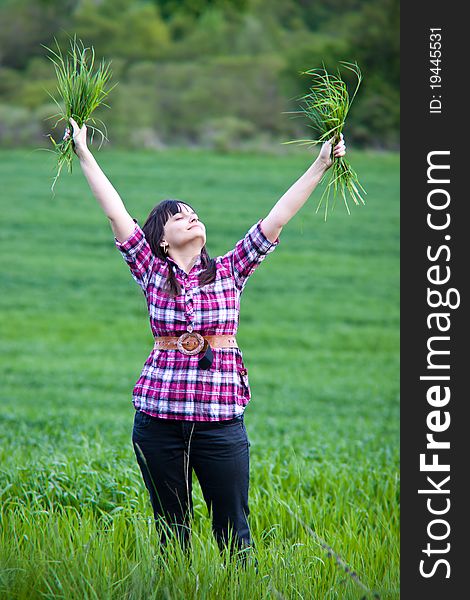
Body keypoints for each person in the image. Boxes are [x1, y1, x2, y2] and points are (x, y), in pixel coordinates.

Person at [64, 117, 346, 566]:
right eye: (178, 216)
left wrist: (319, 164)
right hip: (157, 421)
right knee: (171, 533)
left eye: (193, 212)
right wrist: (83, 152)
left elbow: (277, 217)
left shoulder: (231, 270)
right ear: (159, 239)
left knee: (234, 533)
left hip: (220, 422)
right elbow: (115, 210)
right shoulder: (150, 270)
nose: (191, 216)